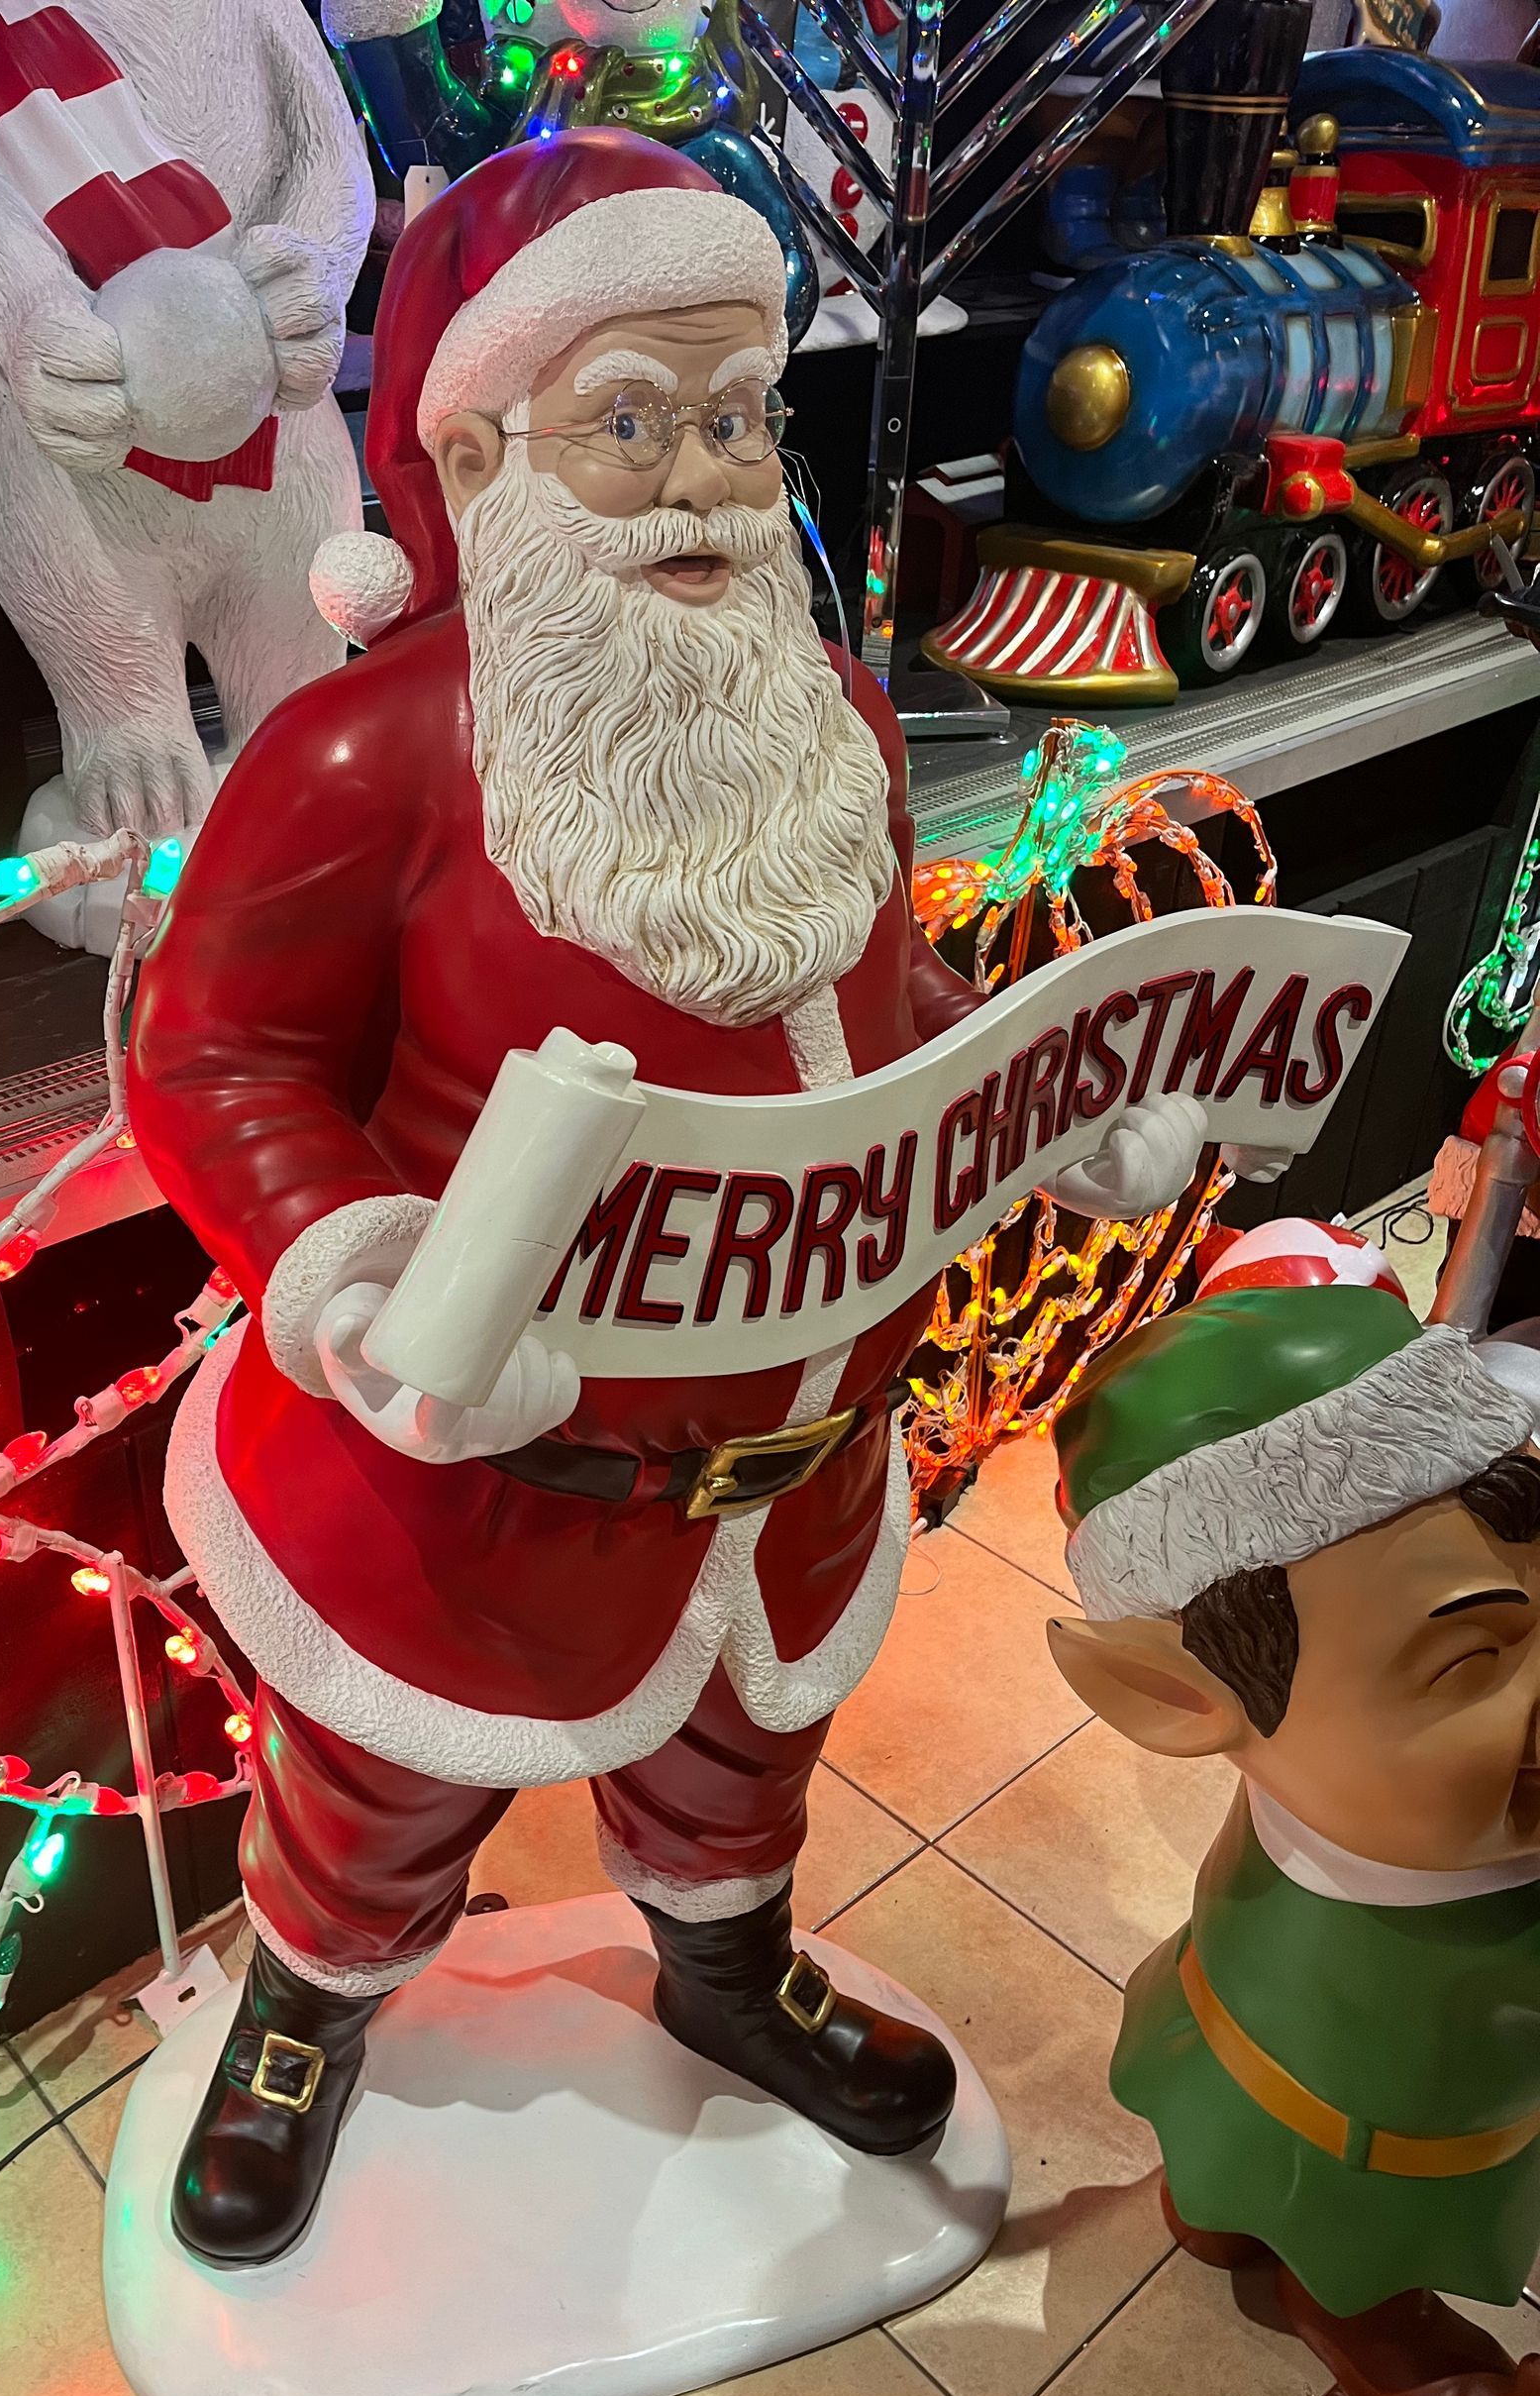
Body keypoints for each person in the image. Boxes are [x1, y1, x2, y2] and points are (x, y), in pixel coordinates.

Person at [130, 130, 1219, 2268]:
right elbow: (215, 1054)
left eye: (732, 413)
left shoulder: (824, 716)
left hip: (791, 1449)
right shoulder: (365, 756)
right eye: (632, 420)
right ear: (482, 451)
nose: (710, 471)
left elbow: (861, 979)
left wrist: (1035, 1095)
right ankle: (308, 2007)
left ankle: (725, 1968)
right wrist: (359, 1274)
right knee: (382, 1784)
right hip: (481, 1460)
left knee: (747, 1754)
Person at [1046, 1219, 1540, 2396]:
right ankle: (1362, 2320)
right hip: (1379, 2098)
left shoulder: (1348, 1809)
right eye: (1472, 1662)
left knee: (1257, 2127)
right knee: (1352, 2192)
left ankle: (1228, 2215)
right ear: (1181, 1700)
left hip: (1284, 2023)